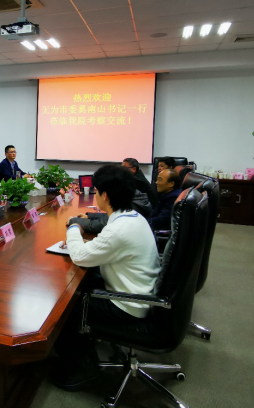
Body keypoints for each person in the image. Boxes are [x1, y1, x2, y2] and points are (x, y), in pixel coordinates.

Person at [53, 165, 160, 392]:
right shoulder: (132, 218)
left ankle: (84, 369)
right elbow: (110, 246)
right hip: (139, 292)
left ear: (105, 196)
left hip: (128, 304)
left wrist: (74, 228)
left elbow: (79, 257)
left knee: (65, 307)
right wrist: (90, 244)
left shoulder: (120, 229)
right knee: (78, 286)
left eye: (96, 191)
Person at [67, 189, 152, 235]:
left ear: (104, 195)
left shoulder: (129, 209)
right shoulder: (132, 198)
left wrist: (74, 222)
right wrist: (89, 216)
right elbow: (110, 217)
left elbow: (100, 225)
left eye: (97, 191)